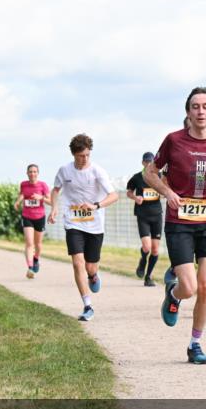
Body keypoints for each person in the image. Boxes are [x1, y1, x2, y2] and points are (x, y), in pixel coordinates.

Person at [145, 87, 206, 365]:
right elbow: (149, 173)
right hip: (180, 222)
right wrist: (167, 193)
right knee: (189, 287)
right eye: (195, 107)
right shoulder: (174, 141)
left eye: (205, 106)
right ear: (188, 112)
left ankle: (195, 344)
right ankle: (174, 295)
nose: (200, 111)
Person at [48, 134, 118, 321]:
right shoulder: (64, 171)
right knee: (77, 262)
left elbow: (113, 196)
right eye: (81, 155)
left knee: (90, 266)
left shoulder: (97, 171)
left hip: (95, 225)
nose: (85, 159)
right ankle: (87, 305)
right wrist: (54, 208)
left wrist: (96, 205)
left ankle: (93, 276)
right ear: (74, 154)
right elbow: (55, 190)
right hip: (73, 223)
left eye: (87, 155)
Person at [126, 152, 165, 286]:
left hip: (157, 215)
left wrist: (165, 193)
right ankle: (143, 261)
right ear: (143, 163)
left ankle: (148, 277)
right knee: (146, 247)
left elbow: (166, 189)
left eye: (151, 162)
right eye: (146, 162)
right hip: (143, 215)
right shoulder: (137, 177)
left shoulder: (160, 177)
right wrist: (135, 198)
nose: (149, 164)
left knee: (155, 249)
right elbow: (129, 192)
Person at [14, 164, 51, 279]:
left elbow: (50, 201)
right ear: (27, 173)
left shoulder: (43, 185)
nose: (32, 174)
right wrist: (18, 201)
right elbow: (22, 194)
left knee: (38, 244)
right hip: (27, 216)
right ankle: (30, 268)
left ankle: (36, 259)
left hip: (40, 217)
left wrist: (41, 198)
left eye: (35, 171)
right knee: (29, 243)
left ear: (37, 173)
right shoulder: (23, 184)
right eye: (30, 171)